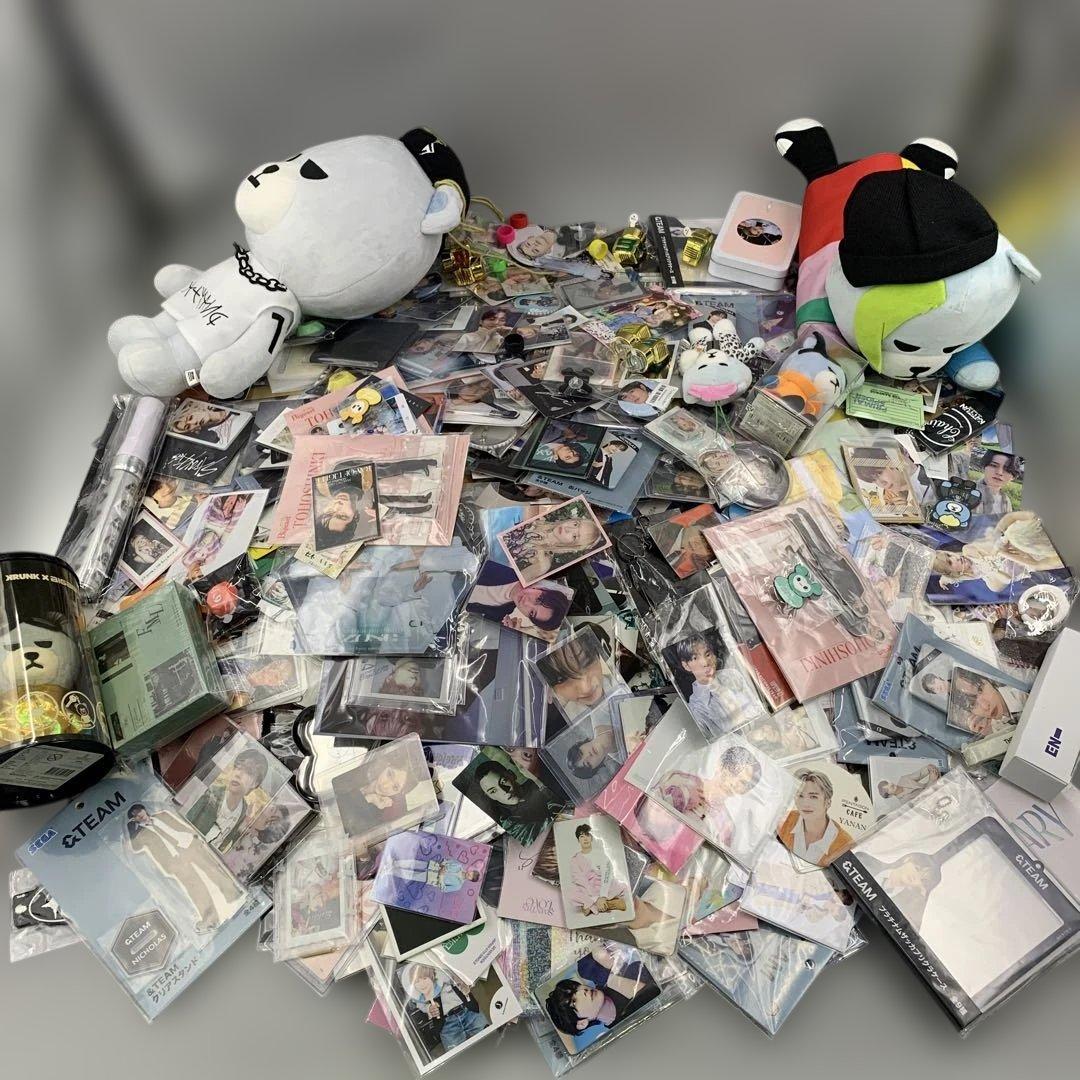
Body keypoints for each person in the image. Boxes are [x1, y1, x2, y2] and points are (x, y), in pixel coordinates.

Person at [126, 803, 245, 933]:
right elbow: (136, 848)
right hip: (174, 860)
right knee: (195, 888)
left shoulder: (162, 815)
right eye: (135, 816)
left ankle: (234, 895)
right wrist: (132, 831)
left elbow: (180, 824)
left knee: (212, 869)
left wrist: (195, 836)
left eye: (139, 811)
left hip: (189, 845)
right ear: (134, 819)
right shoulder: (140, 834)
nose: (139, 815)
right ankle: (211, 918)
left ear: (144, 809)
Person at [545, 945, 660, 1047]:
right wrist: (604, 975)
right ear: (582, 1023)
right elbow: (652, 992)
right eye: (574, 1001)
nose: (582, 991)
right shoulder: (622, 1026)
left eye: (576, 987)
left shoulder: (595, 972)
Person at [670, 633, 759, 735]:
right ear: (686, 665)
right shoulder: (696, 708)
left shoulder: (733, 675)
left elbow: (758, 706)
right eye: (695, 658)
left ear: (714, 655)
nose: (705, 663)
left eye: (707, 655)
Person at [187, 747, 270, 852]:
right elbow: (185, 822)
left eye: (248, 772)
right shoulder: (210, 793)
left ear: (255, 783)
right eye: (238, 767)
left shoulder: (243, 812)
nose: (238, 774)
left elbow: (224, 843)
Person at [466, 754, 559, 844]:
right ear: (490, 796)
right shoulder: (509, 822)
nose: (504, 791)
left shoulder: (534, 783)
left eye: (503, 781)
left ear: (512, 774)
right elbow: (549, 829)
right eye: (493, 791)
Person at [398, 962, 488, 1052]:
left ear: (432, 976)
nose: (422, 984)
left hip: (468, 1011)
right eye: (417, 981)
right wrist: (429, 1008)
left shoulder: (440, 970)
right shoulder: (418, 995)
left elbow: (460, 974)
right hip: (445, 1023)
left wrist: (462, 980)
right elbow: (419, 1003)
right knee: (456, 1054)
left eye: (425, 978)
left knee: (488, 1038)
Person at [466, 558, 571, 633]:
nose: (526, 603)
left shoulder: (500, 613)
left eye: (532, 613)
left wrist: (505, 631)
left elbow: (469, 622)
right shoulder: (510, 566)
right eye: (538, 599)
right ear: (541, 589)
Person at [502, 507, 604, 581]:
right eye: (575, 524)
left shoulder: (543, 563)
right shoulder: (538, 517)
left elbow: (508, 581)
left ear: (574, 546)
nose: (568, 529)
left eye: (574, 536)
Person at [777, 769, 854, 866]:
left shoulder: (845, 844)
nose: (805, 803)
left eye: (813, 797)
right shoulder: (784, 820)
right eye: (800, 796)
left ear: (827, 802)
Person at [858, 852, 942, 932]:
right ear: (907, 859)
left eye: (922, 880)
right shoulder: (863, 860)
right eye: (917, 868)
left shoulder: (903, 914)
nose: (916, 876)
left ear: (921, 886)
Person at [535, 632, 610, 716]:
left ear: (598, 655)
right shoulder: (562, 718)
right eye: (561, 679)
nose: (585, 689)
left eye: (587, 663)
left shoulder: (621, 673)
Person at [568, 823, 628, 918]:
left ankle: (590, 906)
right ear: (578, 840)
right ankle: (608, 904)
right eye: (582, 836)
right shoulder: (575, 859)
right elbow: (580, 880)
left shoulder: (601, 854)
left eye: (587, 835)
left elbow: (607, 875)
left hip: (604, 886)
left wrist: (603, 896)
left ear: (591, 838)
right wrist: (596, 898)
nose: (585, 839)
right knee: (572, 892)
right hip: (588, 888)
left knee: (620, 885)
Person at [312, 467, 378, 549]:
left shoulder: (320, 487)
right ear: (355, 516)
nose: (337, 506)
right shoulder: (373, 484)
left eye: (329, 513)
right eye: (342, 516)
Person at [391, 854, 481, 894]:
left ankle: (391, 871)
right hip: (432, 866)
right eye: (471, 872)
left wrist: (441, 876)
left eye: (471, 876)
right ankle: (394, 863)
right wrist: (443, 864)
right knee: (414, 863)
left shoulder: (458, 885)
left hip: (431, 878)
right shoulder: (459, 866)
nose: (469, 874)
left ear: (470, 880)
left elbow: (444, 889)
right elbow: (447, 861)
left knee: (410, 875)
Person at [973, 450, 1022, 519]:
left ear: (1013, 477)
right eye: (994, 465)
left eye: (1007, 469)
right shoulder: (968, 490)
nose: (999, 472)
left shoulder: (1006, 501)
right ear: (984, 467)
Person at [168, 400, 237, 443]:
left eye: (190, 418)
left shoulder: (221, 402)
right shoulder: (221, 433)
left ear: (196, 410)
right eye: (188, 427)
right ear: (194, 431)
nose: (194, 422)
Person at [877, 763, 942, 801]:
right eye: (887, 789)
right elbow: (925, 797)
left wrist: (928, 768)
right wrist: (931, 780)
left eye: (887, 783)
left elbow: (919, 774)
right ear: (890, 795)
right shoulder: (905, 801)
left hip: (939, 783)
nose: (890, 785)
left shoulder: (903, 779)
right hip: (937, 797)